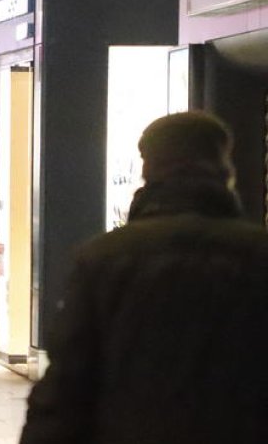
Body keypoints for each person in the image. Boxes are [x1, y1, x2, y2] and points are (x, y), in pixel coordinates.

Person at [20, 112, 268, 443]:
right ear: (226, 169)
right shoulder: (257, 255)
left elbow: (68, 384)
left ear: (148, 169)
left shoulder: (105, 257)